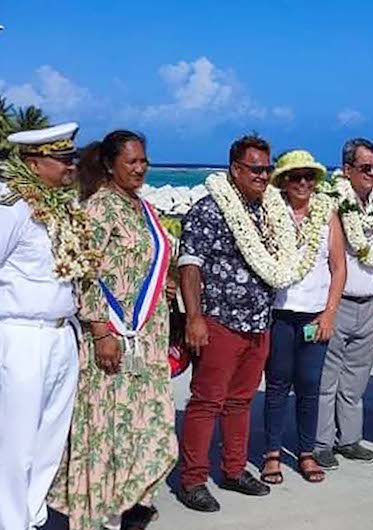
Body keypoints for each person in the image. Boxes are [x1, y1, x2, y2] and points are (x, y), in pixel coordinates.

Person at [48, 130, 177, 530]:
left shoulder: (143, 207)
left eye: (144, 161)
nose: (140, 168)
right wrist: (102, 331)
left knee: (149, 426)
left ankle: (133, 500)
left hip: (147, 339)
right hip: (111, 337)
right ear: (109, 164)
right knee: (110, 427)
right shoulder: (99, 208)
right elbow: (84, 273)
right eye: (131, 162)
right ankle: (102, 509)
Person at [0, 123, 96, 530]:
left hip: (60, 333)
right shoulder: (13, 207)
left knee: (49, 439)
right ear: (35, 162)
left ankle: (33, 514)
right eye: (63, 159)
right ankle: (10, 520)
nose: (71, 165)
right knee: (16, 440)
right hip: (22, 334)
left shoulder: (61, 208)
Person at [177, 134, 275, 512]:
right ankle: (193, 479)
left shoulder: (267, 211)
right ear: (235, 169)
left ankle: (234, 470)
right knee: (206, 401)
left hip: (257, 323)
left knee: (241, 402)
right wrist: (194, 318)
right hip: (219, 322)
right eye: (255, 168)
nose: (263, 175)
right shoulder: (209, 209)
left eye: (267, 168)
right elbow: (190, 265)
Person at [261, 150, 345, 484]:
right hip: (280, 313)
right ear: (282, 180)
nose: (303, 183)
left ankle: (307, 452)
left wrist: (329, 314)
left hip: (315, 315)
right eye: (295, 177)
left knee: (310, 384)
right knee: (278, 383)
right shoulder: (271, 211)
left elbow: (339, 268)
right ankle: (272, 454)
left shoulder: (327, 214)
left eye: (309, 177)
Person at [312, 139, 373, 470]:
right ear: (347, 170)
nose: (372, 174)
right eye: (365, 168)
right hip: (338, 303)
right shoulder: (331, 203)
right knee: (327, 378)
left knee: (356, 379)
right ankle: (320, 443)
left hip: (369, 302)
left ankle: (349, 440)